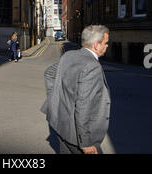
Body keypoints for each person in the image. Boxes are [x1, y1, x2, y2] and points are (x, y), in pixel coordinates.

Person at [41, 25, 111, 154]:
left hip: (61, 127)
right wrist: (86, 143)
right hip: (79, 138)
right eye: (106, 43)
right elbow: (83, 106)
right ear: (96, 45)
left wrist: (55, 100)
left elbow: (49, 73)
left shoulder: (69, 55)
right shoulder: (92, 66)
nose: (107, 46)